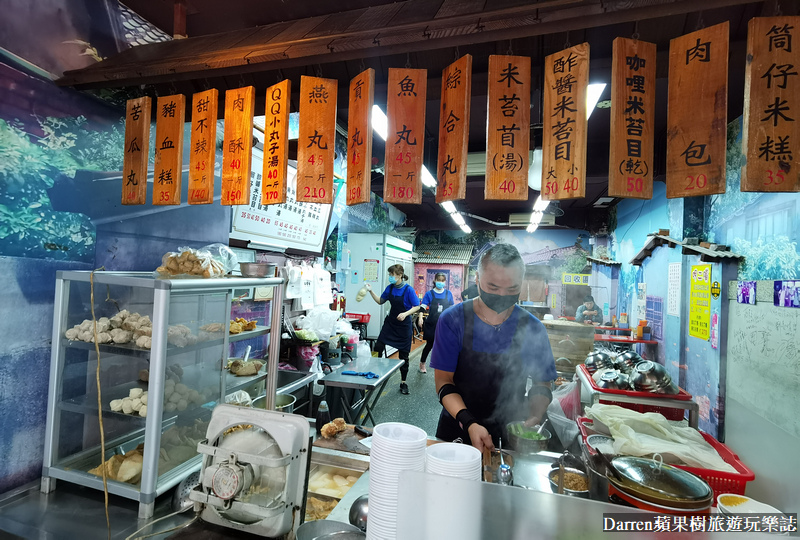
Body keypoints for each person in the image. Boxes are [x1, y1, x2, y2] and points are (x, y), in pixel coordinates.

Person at [430, 244, 557, 453]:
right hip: (458, 426)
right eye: (493, 287)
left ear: (521, 284)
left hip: (512, 432)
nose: (502, 295)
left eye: (512, 289)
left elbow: (542, 382)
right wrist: (469, 422)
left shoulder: (533, 328)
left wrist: (536, 412)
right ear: (477, 280)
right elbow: (444, 382)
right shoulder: (453, 320)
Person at [365, 264, 420, 395]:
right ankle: (377, 373)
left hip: (404, 325)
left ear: (399, 275)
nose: (390, 277)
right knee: (378, 346)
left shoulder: (408, 290)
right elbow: (380, 301)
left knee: (403, 356)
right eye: (389, 275)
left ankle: (403, 382)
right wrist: (370, 291)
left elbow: (417, 306)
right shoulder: (389, 288)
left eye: (392, 275)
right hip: (390, 324)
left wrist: (406, 313)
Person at [418, 273, 455, 374]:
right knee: (429, 345)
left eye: (443, 280)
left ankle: (443, 366)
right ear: (434, 280)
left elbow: (452, 308)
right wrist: (420, 318)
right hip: (432, 324)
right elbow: (422, 307)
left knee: (445, 346)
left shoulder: (448, 294)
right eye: (439, 280)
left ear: (445, 282)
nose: (441, 282)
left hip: (445, 324)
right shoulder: (429, 294)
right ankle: (422, 363)